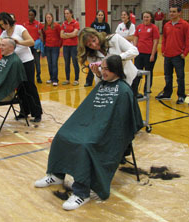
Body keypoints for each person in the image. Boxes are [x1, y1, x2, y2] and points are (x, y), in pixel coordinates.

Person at [35, 55, 143, 210]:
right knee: (62, 136)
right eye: (102, 68)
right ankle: (56, 175)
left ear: (116, 70)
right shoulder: (103, 84)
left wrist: (98, 130)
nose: (103, 72)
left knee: (85, 146)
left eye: (106, 69)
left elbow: (120, 123)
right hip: (92, 126)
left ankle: (81, 193)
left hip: (106, 133)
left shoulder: (124, 91)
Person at [0, 12, 42, 122]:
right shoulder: (4, 33)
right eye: (1, 25)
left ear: (9, 21)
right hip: (14, 64)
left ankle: (37, 113)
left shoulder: (19, 28)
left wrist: (19, 42)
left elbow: (31, 42)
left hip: (26, 62)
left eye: (5, 23)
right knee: (20, 88)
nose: (4, 26)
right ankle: (24, 111)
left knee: (29, 87)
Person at [155, 5, 189, 104]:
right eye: (171, 11)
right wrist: (163, 50)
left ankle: (181, 95)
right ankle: (167, 94)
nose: (172, 13)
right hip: (167, 55)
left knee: (180, 77)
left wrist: (185, 53)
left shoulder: (185, 25)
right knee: (167, 76)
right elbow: (164, 39)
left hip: (178, 56)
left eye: (174, 12)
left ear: (179, 13)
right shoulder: (167, 25)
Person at [132, 11, 159, 98]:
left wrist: (152, 54)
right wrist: (134, 50)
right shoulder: (139, 27)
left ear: (151, 18)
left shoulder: (154, 28)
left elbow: (155, 42)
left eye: (147, 17)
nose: (146, 18)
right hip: (139, 54)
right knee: (137, 72)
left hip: (149, 54)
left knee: (148, 72)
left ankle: (147, 90)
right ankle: (135, 90)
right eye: (144, 17)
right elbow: (135, 38)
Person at [84, 10, 111, 87]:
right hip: (94, 47)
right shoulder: (93, 24)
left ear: (104, 16)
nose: (100, 16)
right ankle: (88, 81)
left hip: (102, 45)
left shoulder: (106, 25)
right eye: (99, 15)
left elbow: (108, 35)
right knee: (92, 65)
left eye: (102, 15)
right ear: (96, 16)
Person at [60, 8, 80, 86]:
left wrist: (66, 34)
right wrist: (69, 34)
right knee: (66, 63)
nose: (66, 15)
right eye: (65, 13)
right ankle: (67, 79)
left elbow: (75, 34)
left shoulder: (75, 23)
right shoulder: (64, 24)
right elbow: (61, 35)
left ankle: (76, 79)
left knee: (75, 62)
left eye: (68, 13)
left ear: (71, 14)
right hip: (65, 46)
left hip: (74, 46)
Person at [23, 9, 43, 83]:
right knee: (28, 61)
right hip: (28, 45)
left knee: (37, 62)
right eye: (29, 15)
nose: (30, 16)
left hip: (36, 45)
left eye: (32, 15)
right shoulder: (25, 24)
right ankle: (28, 77)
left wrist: (41, 45)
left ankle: (38, 77)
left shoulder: (38, 24)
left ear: (35, 16)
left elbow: (41, 35)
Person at [42, 12, 61, 86]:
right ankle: (51, 78)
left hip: (55, 47)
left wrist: (59, 45)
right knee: (49, 63)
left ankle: (55, 79)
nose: (48, 19)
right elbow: (44, 37)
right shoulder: (44, 27)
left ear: (52, 18)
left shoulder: (57, 26)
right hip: (48, 47)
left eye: (49, 17)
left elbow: (60, 36)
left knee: (54, 63)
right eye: (47, 18)